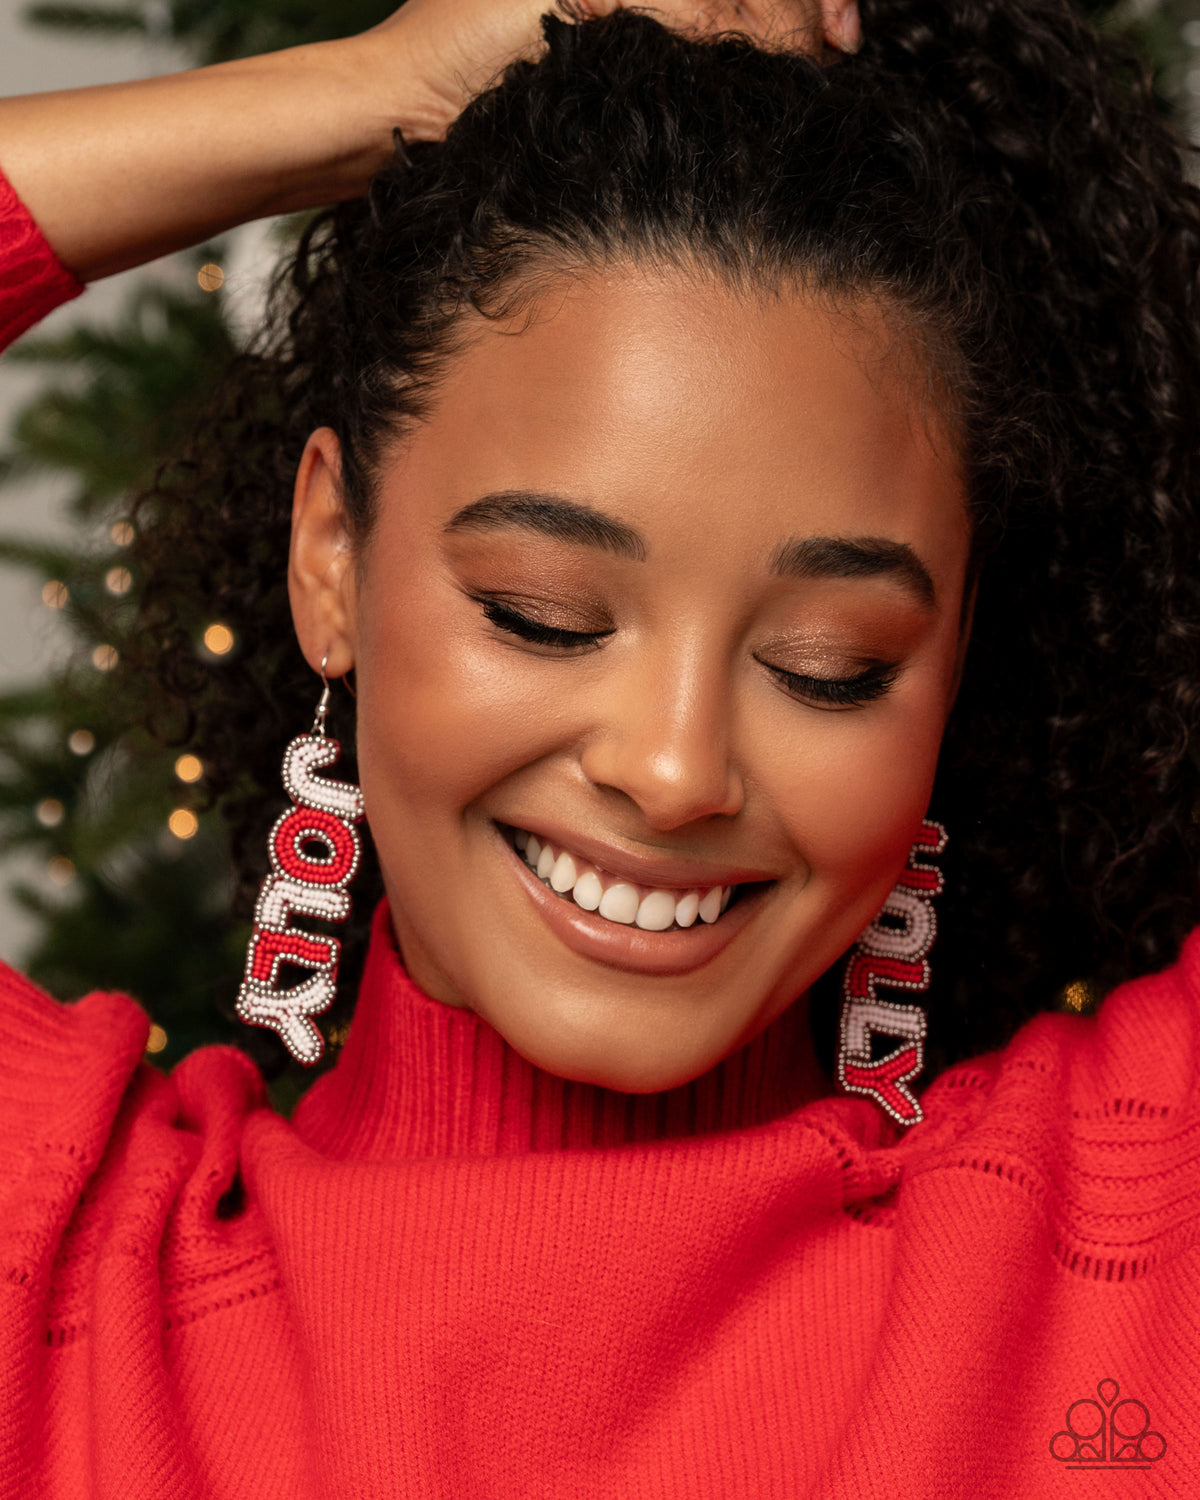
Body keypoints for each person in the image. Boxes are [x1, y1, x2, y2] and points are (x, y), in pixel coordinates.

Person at [1, 0, 1198, 1492]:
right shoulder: (60, 1271)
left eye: (832, 667)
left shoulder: (1128, 1244)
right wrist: (364, 91)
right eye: (546, 615)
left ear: (953, 664)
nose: (675, 766)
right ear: (331, 561)